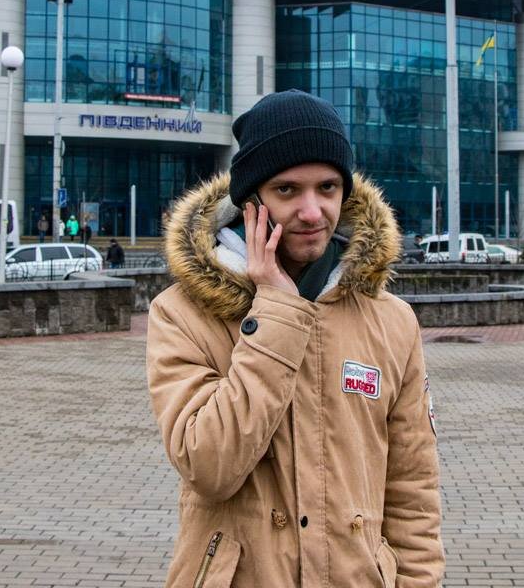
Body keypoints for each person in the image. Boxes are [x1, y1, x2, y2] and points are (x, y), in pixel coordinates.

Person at [147, 89, 444, 587]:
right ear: (250, 202)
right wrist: (277, 311)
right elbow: (210, 465)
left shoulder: (392, 321)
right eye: (287, 190)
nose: (312, 211)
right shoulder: (181, 314)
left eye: (327, 188)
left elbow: (412, 487)